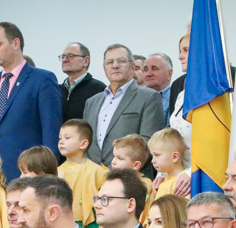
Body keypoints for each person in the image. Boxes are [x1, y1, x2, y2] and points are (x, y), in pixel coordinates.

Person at [0, 22, 63, 181]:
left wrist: (44, 175)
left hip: (29, 175)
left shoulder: (43, 80)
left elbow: (51, 131)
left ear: (16, 43)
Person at [83, 43, 165, 173]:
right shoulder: (92, 102)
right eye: (110, 62)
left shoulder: (149, 97)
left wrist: (120, 168)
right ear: (104, 68)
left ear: (132, 67)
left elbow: (150, 143)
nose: (115, 65)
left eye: (121, 61)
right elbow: (85, 142)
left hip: (131, 179)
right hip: (92, 178)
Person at [57, 119, 108, 228]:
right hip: (64, 226)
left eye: (67, 138)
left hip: (91, 227)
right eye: (60, 138)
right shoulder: (57, 171)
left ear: (83, 144)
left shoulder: (98, 171)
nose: (61, 142)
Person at [59, 42, 106, 121]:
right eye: (63, 56)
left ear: (86, 61)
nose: (64, 60)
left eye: (71, 56)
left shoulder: (99, 89)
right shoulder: (57, 90)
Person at [111, 134, 153, 224]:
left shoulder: (147, 186)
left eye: (119, 158)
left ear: (136, 165)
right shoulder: (112, 183)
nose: (113, 162)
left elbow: (146, 214)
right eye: (114, 156)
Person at [149, 128, 189, 200]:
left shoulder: (182, 184)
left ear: (174, 157)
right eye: (152, 155)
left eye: (157, 155)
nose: (153, 161)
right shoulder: (163, 181)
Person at [168, 33, 192, 151]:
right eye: (180, 51)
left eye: (186, 50)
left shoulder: (216, 92)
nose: (180, 56)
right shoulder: (181, 93)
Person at [142, 52, 174, 122]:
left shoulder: (176, 98)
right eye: (145, 69)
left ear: (169, 73)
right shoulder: (136, 98)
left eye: (154, 68)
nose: (148, 74)